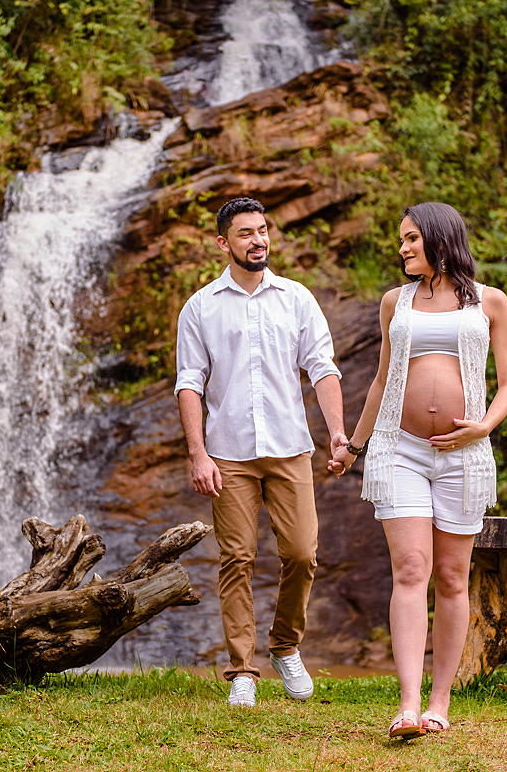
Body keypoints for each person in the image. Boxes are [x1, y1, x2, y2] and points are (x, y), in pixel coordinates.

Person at [330, 202, 507, 739]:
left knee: (453, 579)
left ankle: (440, 703)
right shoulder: (397, 302)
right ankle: (408, 706)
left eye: (412, 239)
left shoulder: (489, 302)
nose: (403, 248)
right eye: (402, 240)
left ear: (439, 238)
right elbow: (382, 380)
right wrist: (354, 447)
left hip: (463, 454)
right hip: (400, 449)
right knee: (411, 570)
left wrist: (482, 427)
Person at [175, 196, 347, 707]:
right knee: (237, 558)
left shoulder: (296, 298)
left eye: (264, 230)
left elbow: (323, 368)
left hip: (290, 447)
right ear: (224, 243)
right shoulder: (201, 306)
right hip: (227, 451)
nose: (259, 240)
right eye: (247, 233)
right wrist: (197, 453)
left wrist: (337, 433)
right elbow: (189, 382)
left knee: (302, 553)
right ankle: (243, 668)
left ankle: (285, 646)